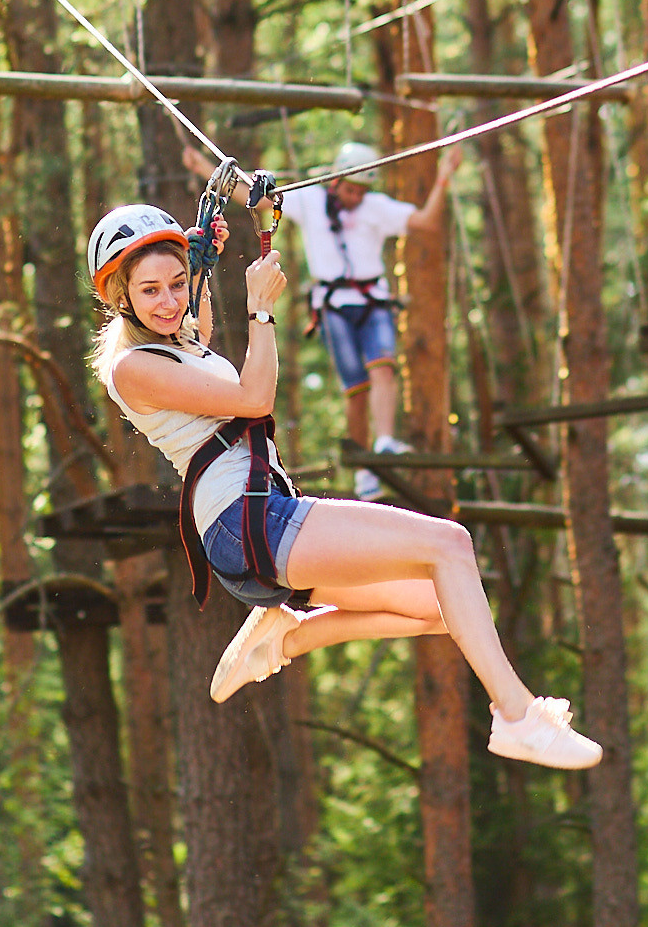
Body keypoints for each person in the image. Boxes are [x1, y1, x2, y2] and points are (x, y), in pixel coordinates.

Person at [86, 202, 601, 769]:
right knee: (450, 544)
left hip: (261, 518)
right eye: (151, 290)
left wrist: (209, 247)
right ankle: (517, 716)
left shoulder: (177, 340)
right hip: (246, 523)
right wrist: (260, 310)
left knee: (438, 608)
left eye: (177, 285)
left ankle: (287, 636)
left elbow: (198, 325)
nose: (169, 301)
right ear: (120, 297)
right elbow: (254, 399)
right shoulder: (131, 368)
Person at [189, 139, 462, 499]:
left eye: (361, 191)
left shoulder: (375, 207)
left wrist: (444, 176)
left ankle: (383, 442)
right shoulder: (312, 202)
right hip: (334, 305)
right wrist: (203, 168)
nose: (355, 196)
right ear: (336, 182)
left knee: (384, 367)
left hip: (373, 299)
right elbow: (257, 199)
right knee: (356, 389)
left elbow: (425, 221)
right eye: (350, 188)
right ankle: (367, 472)